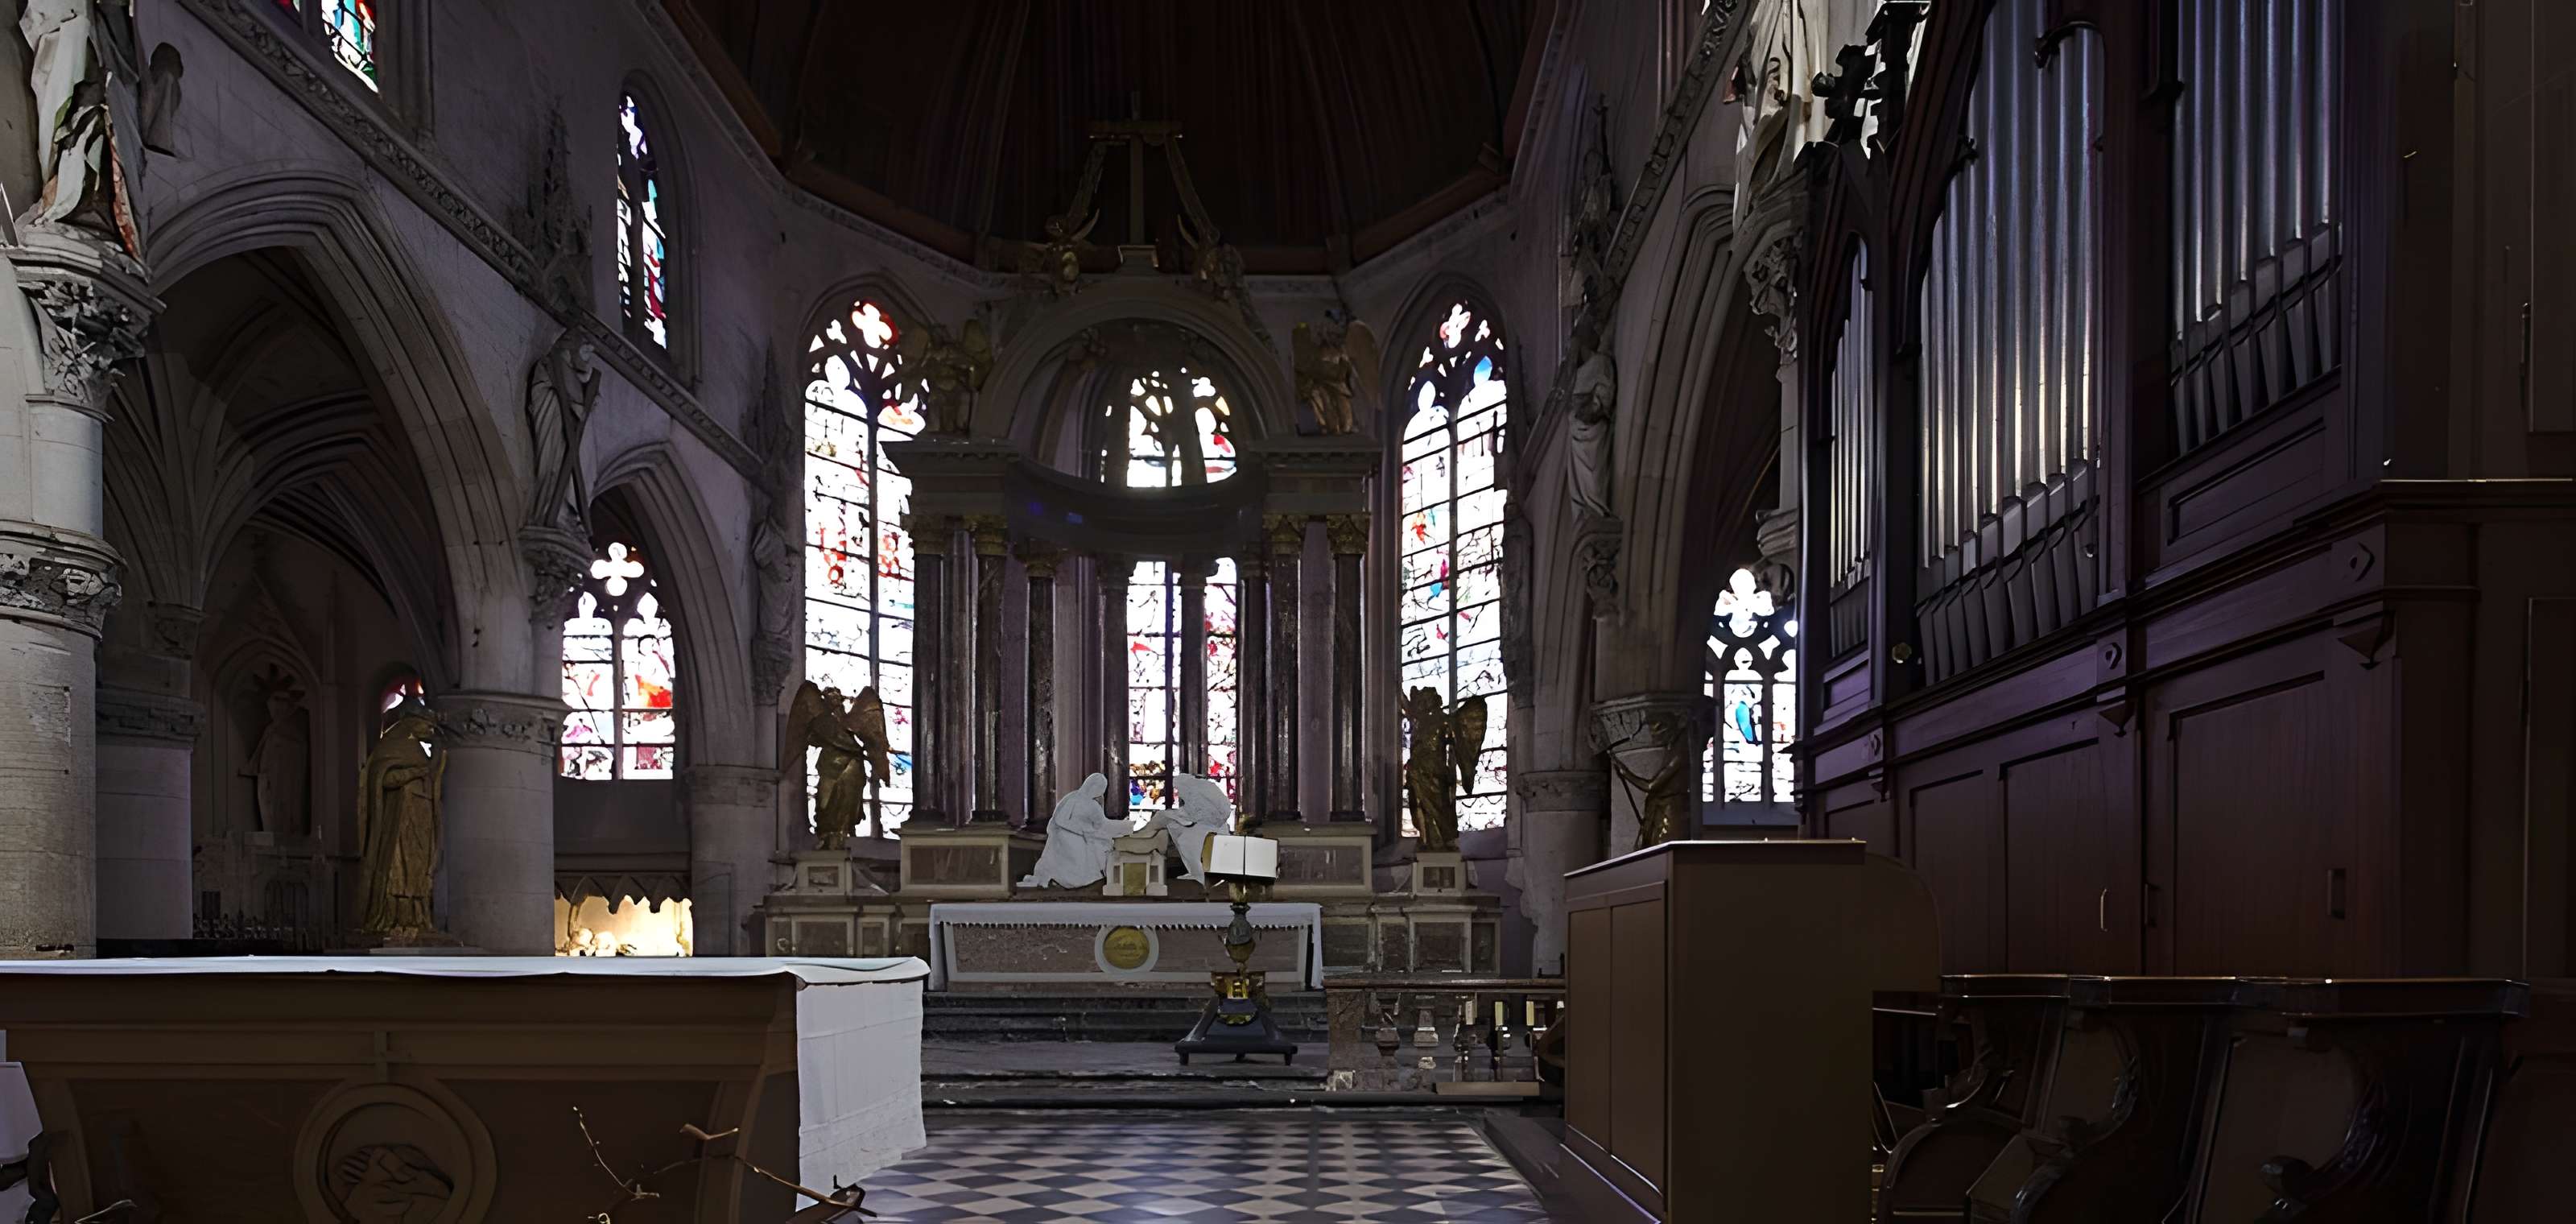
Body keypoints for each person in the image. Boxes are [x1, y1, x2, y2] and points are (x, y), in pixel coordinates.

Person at [1018, 773, 1120, 889]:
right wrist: (1082, 831)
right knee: (1093, 847)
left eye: (1102, 789)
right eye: (1098, 787)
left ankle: (1101, 878)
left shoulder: (1092, 804)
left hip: (1082, 835)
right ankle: (1075, 879)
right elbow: (1060, 820)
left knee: (1105, 845)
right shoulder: (1074, 799)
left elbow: (1101, 824)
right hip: (1068, 835)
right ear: (1090, 785)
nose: (1099, 791)